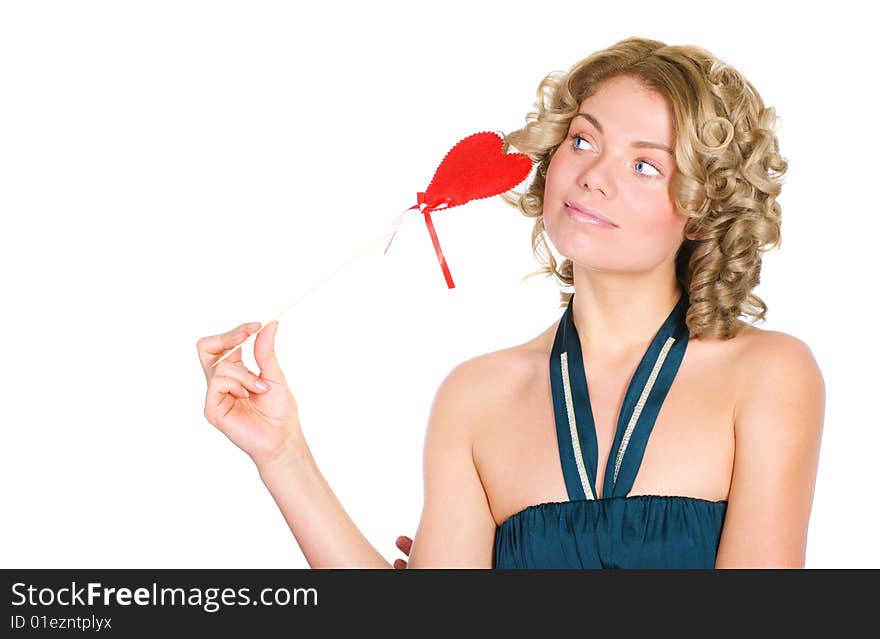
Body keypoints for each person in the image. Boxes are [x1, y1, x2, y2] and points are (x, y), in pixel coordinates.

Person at [196, 37, 824, 568]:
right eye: (583, 141)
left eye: (644, 166)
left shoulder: (768, 376)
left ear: (701, 210)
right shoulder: (475, 398)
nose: (594, 176)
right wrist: (283, 455)